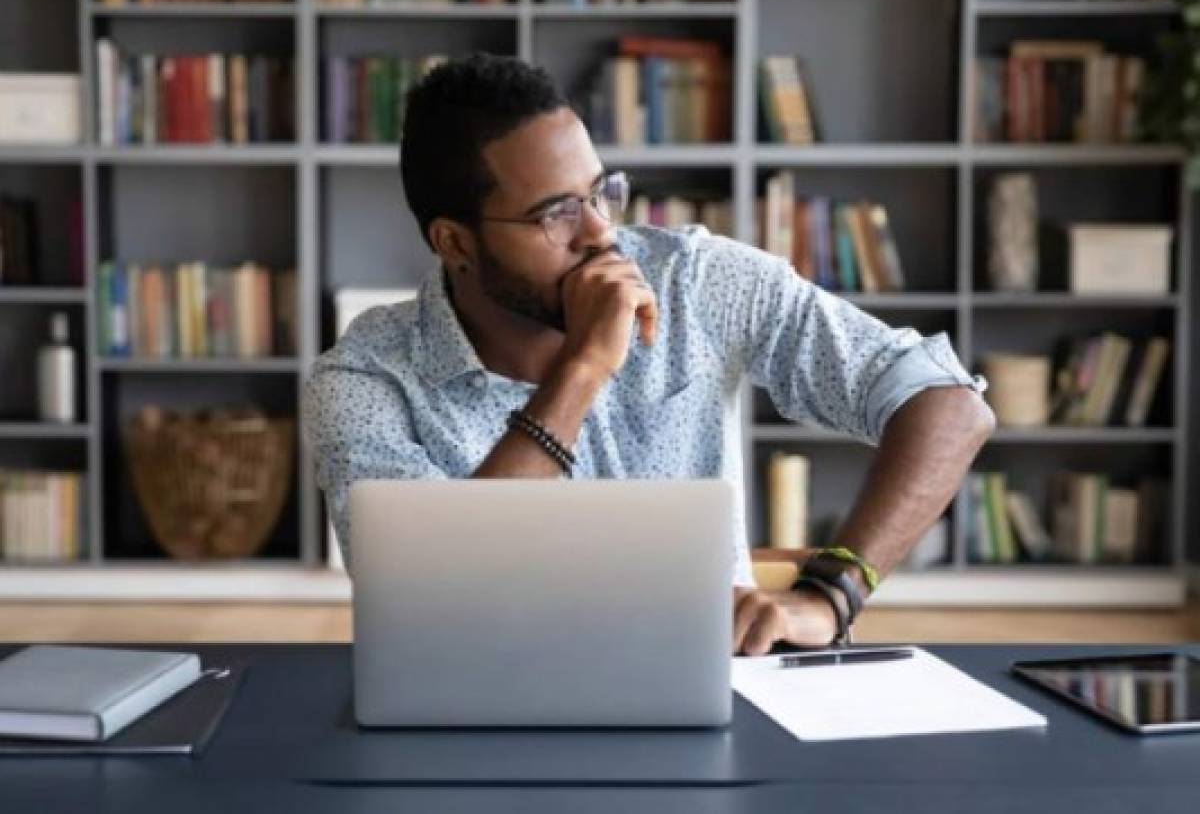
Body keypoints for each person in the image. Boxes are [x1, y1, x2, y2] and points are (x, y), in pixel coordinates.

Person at [303, 52, 995, 656]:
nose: (603, 233)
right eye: (555, 214)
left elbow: (951, 404)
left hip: (714, 685)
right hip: (486, 713)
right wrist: (584, 369)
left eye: (601, 192)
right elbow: (425, 599)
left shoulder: (694, 280)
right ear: (454, 242)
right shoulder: (364, 381)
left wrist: (835, 591)